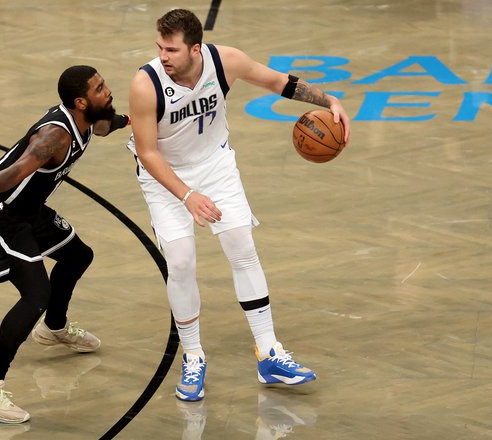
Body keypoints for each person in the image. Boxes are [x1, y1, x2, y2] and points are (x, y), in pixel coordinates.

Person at [127, 9, 351, 402]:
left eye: (172, 49)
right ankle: (193, 355)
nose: (163, 55)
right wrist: (186, 195)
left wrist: (328, 99)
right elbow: (147, 153)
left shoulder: (224, 60)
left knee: (242, 248)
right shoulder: (146, 85)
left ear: (196, 48)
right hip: (165, 178)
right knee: (179, 261)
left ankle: (268, 353)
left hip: (215, 165)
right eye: (160, 47)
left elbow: (280, 83)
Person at [0, 65, 130, 423]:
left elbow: (104, 125)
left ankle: (54, 328)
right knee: (35, 295)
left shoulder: (87, 119)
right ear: (80, 101)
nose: (107, 90)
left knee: (78, 256)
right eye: (99, 88)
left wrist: (134, 119)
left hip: (29, 210)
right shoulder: (55, 137)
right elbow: (17, 170)